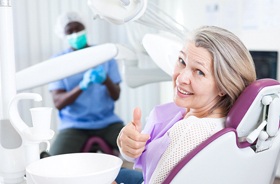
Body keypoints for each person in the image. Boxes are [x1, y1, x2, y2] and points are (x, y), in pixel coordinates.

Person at [117, 26, 257, 183]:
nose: (181, 78)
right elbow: (138, 154)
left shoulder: (191, 130)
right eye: (182, 61)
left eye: (199, 72)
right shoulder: (198, 113)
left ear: (223, 86)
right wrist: (127, 143)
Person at [48, 11, 124, 155]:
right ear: (64, 35)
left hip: (107, 122)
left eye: (78, 28)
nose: (75, 34)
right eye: (70, 31)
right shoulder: (57, 62)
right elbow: (58, 102)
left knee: (138, 151)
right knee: (53, 161)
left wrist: (106, 80)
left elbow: (116, 95)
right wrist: (82, 86)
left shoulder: (104, 55)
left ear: (85, 28)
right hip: (74, 126)